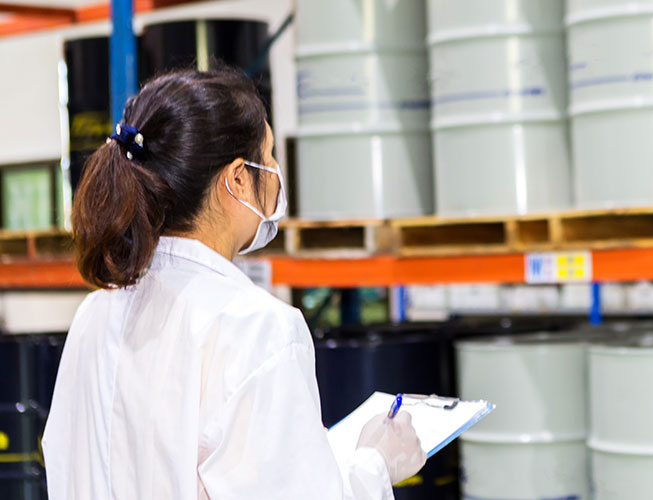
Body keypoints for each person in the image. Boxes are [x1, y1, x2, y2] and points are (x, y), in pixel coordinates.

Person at [41, 68, 425, 499]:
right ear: (238, 178)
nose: (276, 172)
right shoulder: (258, 329)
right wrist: (375, 463)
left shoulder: (95, 313)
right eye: (270, 155)